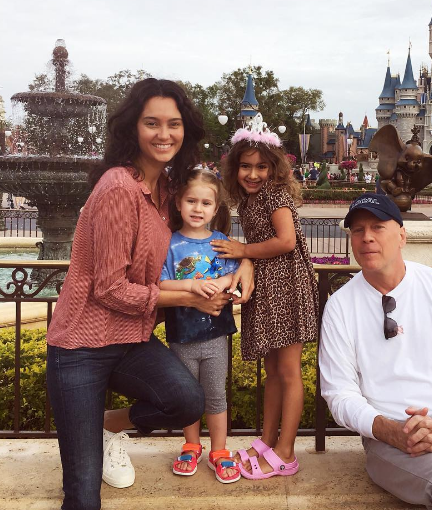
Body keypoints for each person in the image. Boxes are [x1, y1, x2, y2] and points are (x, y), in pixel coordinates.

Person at [46, 78, 254, 510]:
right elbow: (108, 288)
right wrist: (189, 298)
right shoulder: (119, 188)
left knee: (186, 400)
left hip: (129, 340)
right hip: (81, 345)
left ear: (186, 130)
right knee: (84, 495)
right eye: (152, 123)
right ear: (133, 129)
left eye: (174, 124)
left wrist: (246, 260)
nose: (164, 134)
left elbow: (200, 243)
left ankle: (103, 426)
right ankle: (87, 434)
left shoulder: (166, 193)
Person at [319, 193, 432, 509]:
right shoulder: (341, 306)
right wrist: (387, 428)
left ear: (402, 235)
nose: (367, 237)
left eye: (377, 227)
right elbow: (339, 393)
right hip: (389, 438)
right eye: (357, 230)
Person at [211, 121, 318, 480]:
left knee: (288, 372)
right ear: (234, 168)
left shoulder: (273, 196)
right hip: (270, 289)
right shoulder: (250, 200)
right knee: (272, 372)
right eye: (245, 166)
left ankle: (286, 451)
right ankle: (268, 440)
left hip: (287, 288)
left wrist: (243, 250)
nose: (253, 174)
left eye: (261, 166)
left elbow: (286, 241)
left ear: (274, 168)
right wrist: (246, 258)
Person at [160, 169, 241, 484]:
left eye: (205, 202)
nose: (197, 208)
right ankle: (191, 445)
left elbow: (235, 271)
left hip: (215, 334)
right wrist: (192, 288)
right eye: (191, 200)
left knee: (215, 395)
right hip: (181, 335)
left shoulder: (220, 242)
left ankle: (218, 451)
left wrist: (221, 280)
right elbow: (161, 283)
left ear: (216, 207)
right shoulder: (171, 244)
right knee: (190, 396)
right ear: (179, 202)